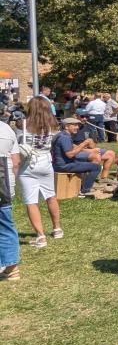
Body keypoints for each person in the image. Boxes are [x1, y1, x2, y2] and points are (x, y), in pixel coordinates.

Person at [17, 97, 63, 246]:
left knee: (31, 201)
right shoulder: (53, 125)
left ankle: (41, 236)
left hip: (28, 164)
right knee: (51, 196)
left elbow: (18, 141)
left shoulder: (23, 124)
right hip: (46, 162)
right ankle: (57, 229)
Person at [52, 116, 103, 196]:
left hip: (59, 164)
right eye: (74, 125)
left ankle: (84, 185)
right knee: (96, 167)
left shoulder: (60, 135)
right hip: (64, 166)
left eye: (78, 125)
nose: (77, 127)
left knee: (86, 161)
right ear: (66, 126)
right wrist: (83, 144)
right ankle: (84, 191)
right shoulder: (64, 137)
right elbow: (70, 154)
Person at [0, 117, 21, 281]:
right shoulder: (7, 129)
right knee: (6, 225)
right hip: (4, 183)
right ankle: (12, 269)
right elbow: (16, 162)